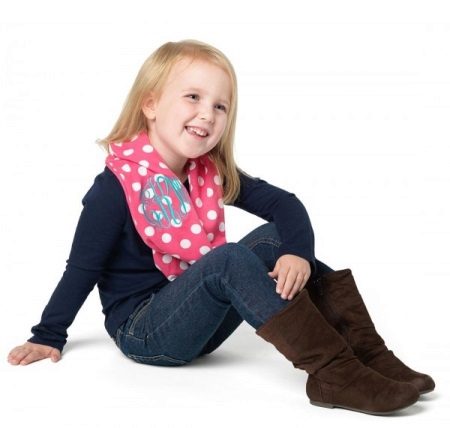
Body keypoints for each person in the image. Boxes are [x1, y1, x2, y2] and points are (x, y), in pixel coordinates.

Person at [7, 39, 434, 415]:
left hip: (198, 319)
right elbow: (82, 268)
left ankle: (367, 353)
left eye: (220, 106)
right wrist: (48, 334)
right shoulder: (115, 187)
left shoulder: (207, 172)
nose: (206, 114)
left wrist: (298, 253)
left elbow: (284, 205)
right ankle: (333, 373)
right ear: (150, 105)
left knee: (274, 240)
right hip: (143, 331)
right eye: (192, 97)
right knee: (230, 258)